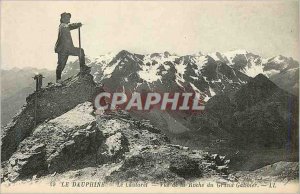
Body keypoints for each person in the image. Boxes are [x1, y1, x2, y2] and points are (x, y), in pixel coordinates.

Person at [54, 12, 90, 83]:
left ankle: (83, 67)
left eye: (69, 18)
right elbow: (68, 26)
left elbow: (69, 26)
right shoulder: (62, 26)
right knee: (61, 65)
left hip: (69, 48)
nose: (69, 19)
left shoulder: (65, 26)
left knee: (80, 51)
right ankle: (58, 80)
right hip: (63, 49)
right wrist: (76, 25)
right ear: (63, 19)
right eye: (67, 18)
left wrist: (76, 25)